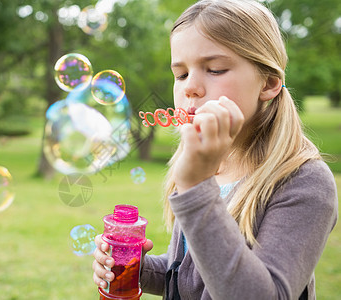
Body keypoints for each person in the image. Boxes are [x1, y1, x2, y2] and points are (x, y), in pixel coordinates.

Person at [92, 0, 338, 299]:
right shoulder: (206, 166)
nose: (190, 87)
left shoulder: (303, 181)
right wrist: (137, 268)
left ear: (269, 83)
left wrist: (196, 187)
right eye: (181, 74)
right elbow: (197, 273)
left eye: (216, 69)